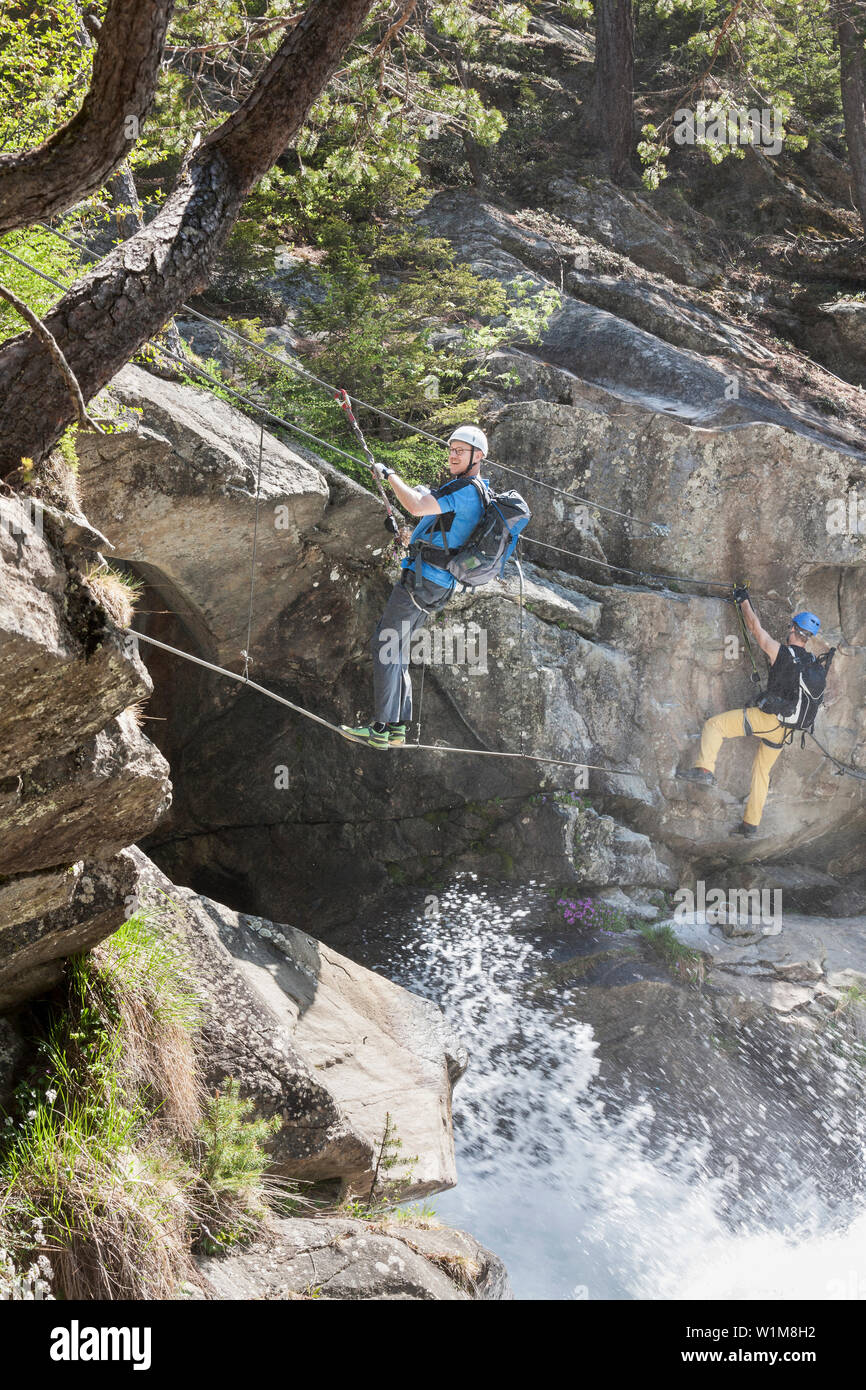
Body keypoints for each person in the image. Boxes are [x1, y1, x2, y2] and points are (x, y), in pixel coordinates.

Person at [340, 425, 489, 750]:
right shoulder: (471, 490)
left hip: (423, 583)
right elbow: (438, 529)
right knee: (397, 647)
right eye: (451, 449)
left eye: (460, 451)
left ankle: (380, 727)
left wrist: (389, 474)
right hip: (434, 583)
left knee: (385, 645)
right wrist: (409, 536)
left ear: (478, 457)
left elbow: (418, 505)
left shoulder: (466, 490)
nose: (453, 455)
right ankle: (395, 728)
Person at [677, 590, 822, 837]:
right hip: (787, 729)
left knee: (715, 726)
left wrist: (743, 600)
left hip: (768, 719)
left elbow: (756, 629)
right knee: (762, 771)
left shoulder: (782, 653)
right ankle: (750, 825)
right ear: (808, 637)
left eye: (790, 627)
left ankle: (704, 770)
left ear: (794, 629)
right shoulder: (812, 662)